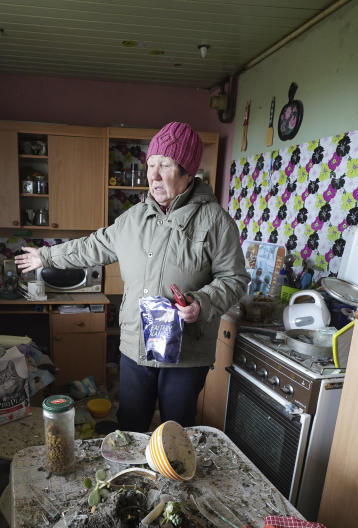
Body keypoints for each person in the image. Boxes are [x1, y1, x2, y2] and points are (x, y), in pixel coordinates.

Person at [15, 122, 248, 431]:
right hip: (135, 346)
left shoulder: (216, 222)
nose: (153, 174)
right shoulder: (133, 219)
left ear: (187, 172)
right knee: (130, 426)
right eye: (151, 164)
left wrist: (202, 303)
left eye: (164, 165)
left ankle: (171, 478)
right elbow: (92, 246)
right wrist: (45, 255)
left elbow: (234, 279)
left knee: (175, 431)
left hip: (185, 354)